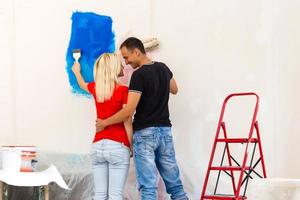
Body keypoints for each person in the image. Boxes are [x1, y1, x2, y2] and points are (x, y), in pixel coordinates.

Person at [96, 37, 188, 200]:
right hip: (165, 132)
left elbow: (128, 111)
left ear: (137, 52)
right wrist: (158, 83)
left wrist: (104, 122)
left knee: (148, 188)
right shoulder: (163, 68)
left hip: (145, 134)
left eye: (126, 57)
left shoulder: (138, 75)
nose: (126, 62)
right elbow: (174, 89)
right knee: (175, 186)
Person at [72, 53, 132, 200]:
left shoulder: (95, 88)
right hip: (118, 145)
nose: (123, 65)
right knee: (115, 195)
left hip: (97, 146)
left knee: (99, 194)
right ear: (113, 68)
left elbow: (82, 84)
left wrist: (76, 71)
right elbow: (127, 120)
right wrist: (131, 145)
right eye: (120, 63)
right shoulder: (123, 90)